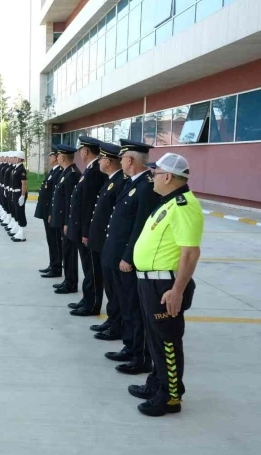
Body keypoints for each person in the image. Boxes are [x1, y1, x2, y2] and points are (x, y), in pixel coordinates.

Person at [128, 152, 202, 417]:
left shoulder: (183, 205)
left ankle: (170, 397)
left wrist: (177, 290)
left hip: (165, 286)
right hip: (150, 282)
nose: (151, 178)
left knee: (167, 340)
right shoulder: (167, 202)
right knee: (154, 338)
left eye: (154, 174)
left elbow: (190, 252)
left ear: (168, 176)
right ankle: (157, 384)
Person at [102, 139, 160, 375]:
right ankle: (129, 346)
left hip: (127, 259)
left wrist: (128, 257)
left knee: (134, 308)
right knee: (126, 305)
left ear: (130, 160)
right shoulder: (132, 183)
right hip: (117, 255)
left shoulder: (146, 187)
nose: (121, 161)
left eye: (124, 157)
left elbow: (139, 228)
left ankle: (140, 357)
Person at [87, 143, 126, 340]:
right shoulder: (111, 180)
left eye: (102, 159)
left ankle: (117, 324)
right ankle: (112, 320)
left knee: (114, 287)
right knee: (110, 286)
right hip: (103, 241)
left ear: (108, 162)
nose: (99, 162)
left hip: (109, 242)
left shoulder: (119, 182)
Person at [67, 136, 107, 316]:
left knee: (92, 269)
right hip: (82, 228)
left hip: (88, 231)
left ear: (85, 151)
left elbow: (90, 205)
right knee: (87, 267)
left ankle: (92, 304)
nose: (80, 154)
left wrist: (86, 231)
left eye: (81, 150)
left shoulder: (95, 171)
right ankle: (87, 299)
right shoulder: (90, 170)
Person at [48, 145, 80, 293]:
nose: (57, 157)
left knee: (69, 252)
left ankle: (71, 283)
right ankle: (67, 280)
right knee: (66, 251)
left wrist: (67, 222)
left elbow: (70, 202)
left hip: (67, 222)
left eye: (58, 155)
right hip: (62, 221)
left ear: (62, 157)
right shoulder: (66, 172)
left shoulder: (72, 174)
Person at [36, 146, 63, 277]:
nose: (49, 157)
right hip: (47, 212)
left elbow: (55, 196)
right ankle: (53, 264)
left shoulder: (59, 172)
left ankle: (57, 267)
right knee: (51, 240)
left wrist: (51, 213)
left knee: (55, 241)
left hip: (51, 213)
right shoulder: (53, 171)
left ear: (57, 157)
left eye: (51, 155)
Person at [11, 151, 29, 242]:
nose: (13, 159)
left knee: (20, 212)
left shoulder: (21, 169)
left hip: (19, 193)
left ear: (19, 158)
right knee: (17, 212)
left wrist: (22, 195)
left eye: (15, 157)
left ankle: (22, 234)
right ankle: (19, 230)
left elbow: (24, 183)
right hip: (15, 192)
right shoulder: (16, 168)